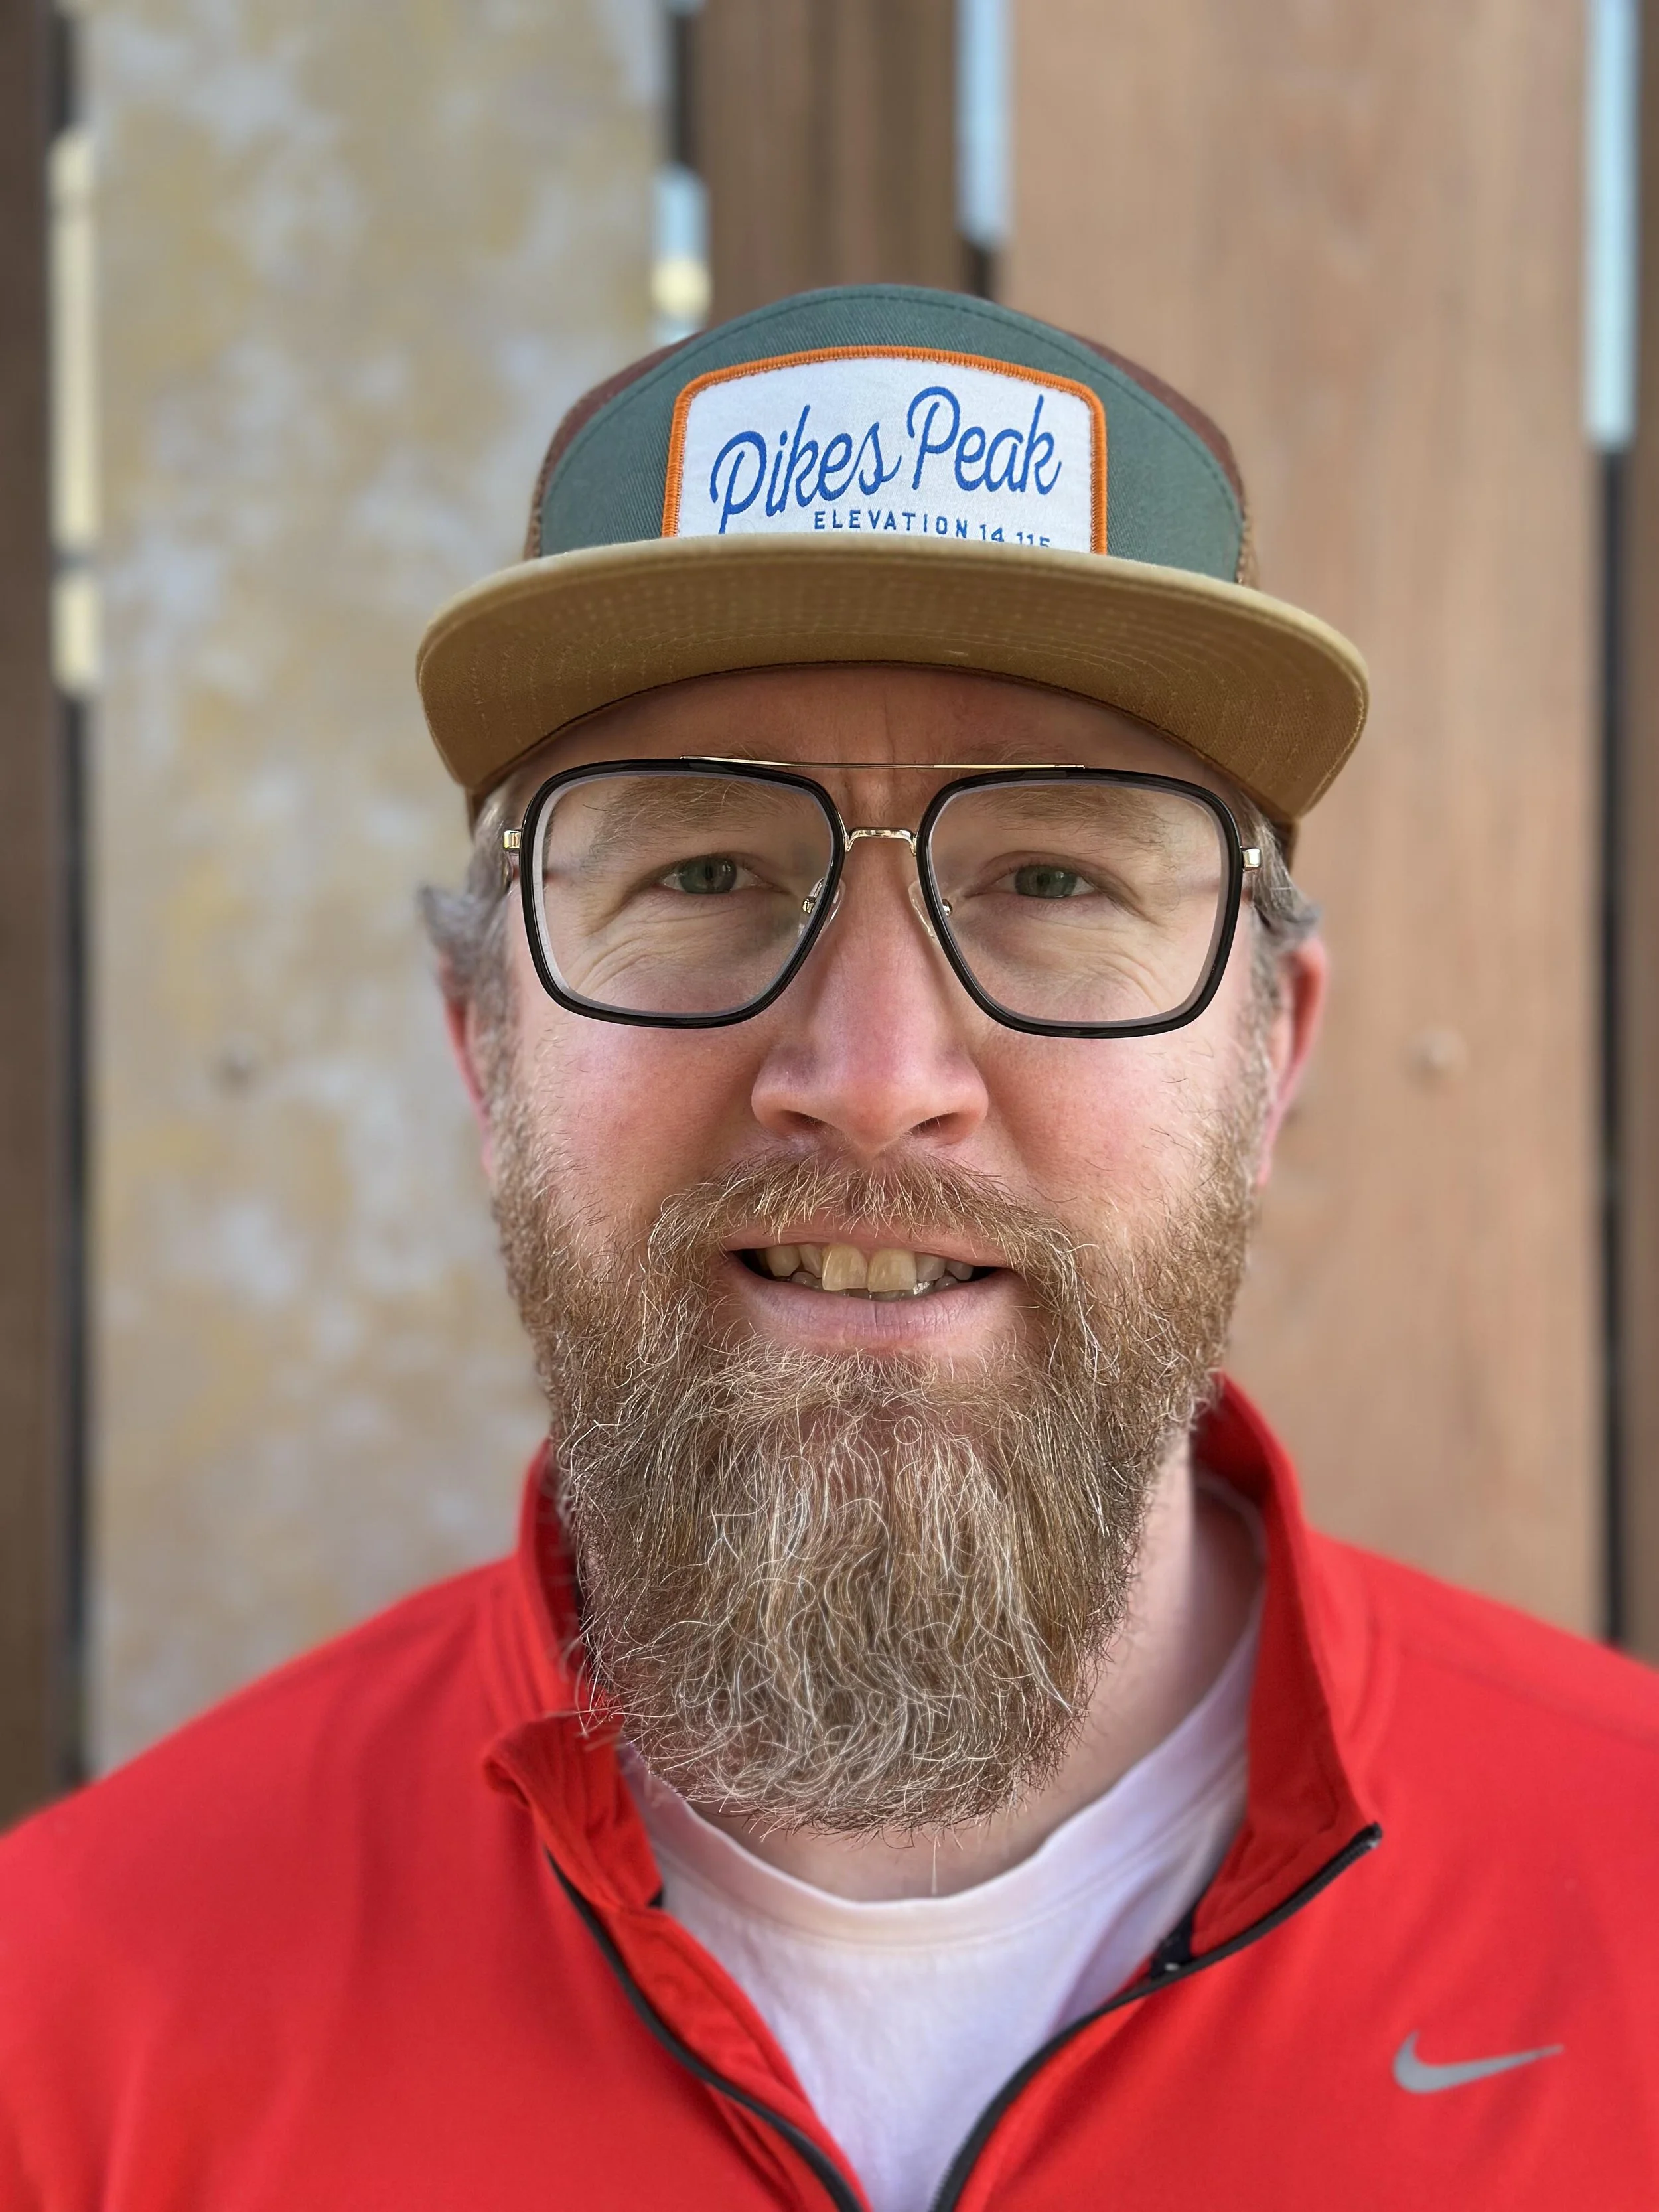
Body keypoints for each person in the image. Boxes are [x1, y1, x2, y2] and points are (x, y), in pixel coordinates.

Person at [3, 285, 1657, 2212]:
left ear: (1267, 1051)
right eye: (700, 871)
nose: (873, 1078)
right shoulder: (65, 2033)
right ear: (486, 1044)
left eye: (1052, 879)